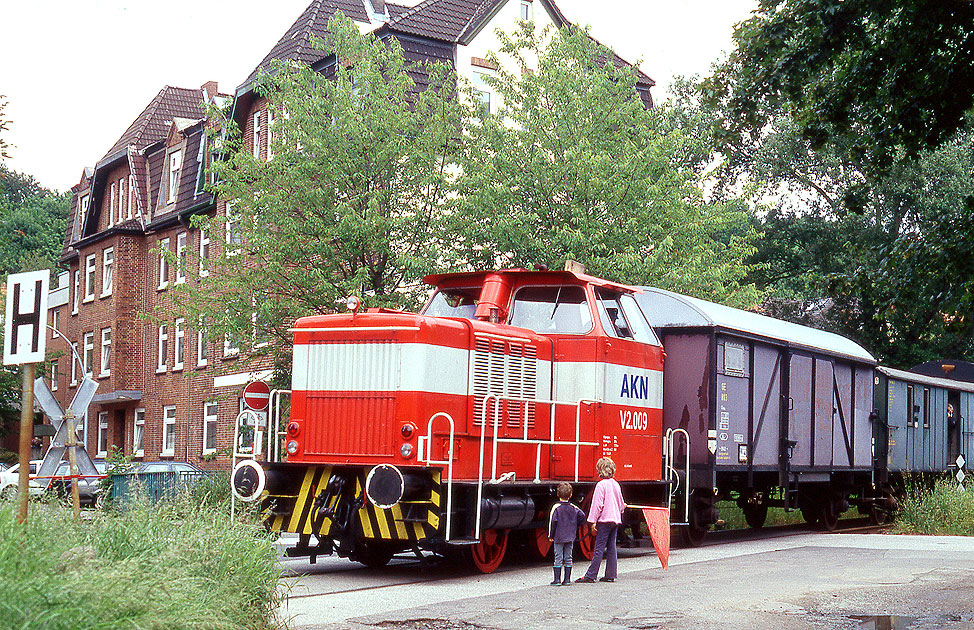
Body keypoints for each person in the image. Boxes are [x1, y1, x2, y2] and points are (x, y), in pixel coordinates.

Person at [577, 456, 626, 583]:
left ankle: (591, 575)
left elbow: (597, 505)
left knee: (599, 547)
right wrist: (621, 509)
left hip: (604, 521)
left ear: (600, 470)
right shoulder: (616, 484)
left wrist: (592, 521)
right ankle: (611, 574)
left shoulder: (600, 485)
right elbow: (621, 504)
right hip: (615, 520)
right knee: (611, 547)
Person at [547, 481, 586, 585]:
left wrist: (551, 535)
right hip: (570, 536)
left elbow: (552, 522)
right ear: (571, 495)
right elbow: (582, 516)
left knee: (558, 557)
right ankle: (567, 579)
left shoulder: (556, 508)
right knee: (568, 557)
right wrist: (577, 524)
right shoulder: (573, 507)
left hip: (559, 537)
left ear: (558, 494)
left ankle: (557, 580)